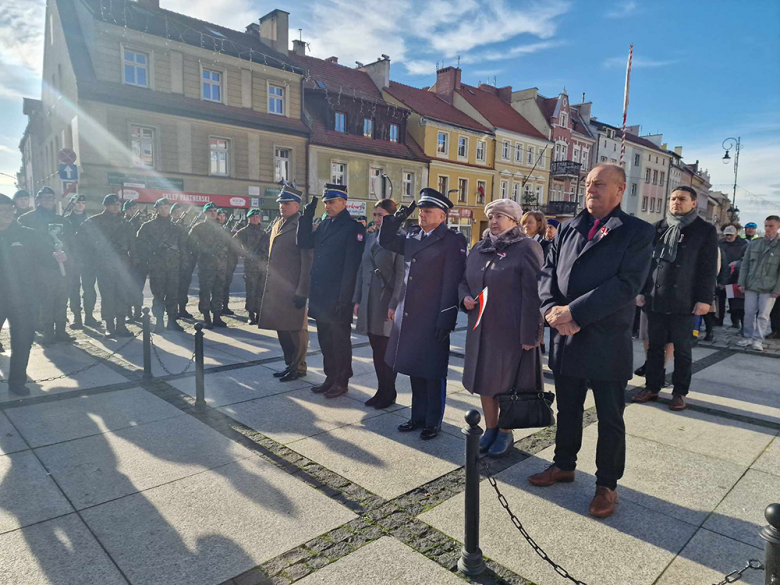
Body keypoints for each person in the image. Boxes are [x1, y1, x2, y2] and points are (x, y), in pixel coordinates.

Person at [531, 164, 654, 518]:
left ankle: (607, 484)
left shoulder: (636, 231)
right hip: (566, 337)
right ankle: (564, 464)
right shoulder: (568, 228)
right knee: (567, 408)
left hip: (605, 338)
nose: (591, 190)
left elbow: (628, 284)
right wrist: (552, 309)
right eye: (588, 184)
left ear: (619, 190)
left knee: (610, 416)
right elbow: (548, 273)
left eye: (599, 184)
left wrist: (575, 313)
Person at [379, 187, 467, 440]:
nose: (422, 215)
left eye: (428, 211)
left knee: (433, 372)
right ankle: (416, 416)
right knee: (414, 369)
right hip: (410, 314)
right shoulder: (413, 234)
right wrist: (394, 220)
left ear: (443, 216)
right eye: (420, 211)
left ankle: (433, 421)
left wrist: (446, 318)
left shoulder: (452, 240)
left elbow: (452, 282)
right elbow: (386, 241)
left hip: (432, 315)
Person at [460, 199, 543, 457]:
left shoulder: (527, 247)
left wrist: (531, 334)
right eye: (492, 216)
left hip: (511, 331)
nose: (494, 221)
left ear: (514, 221)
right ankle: (490, 428)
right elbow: (464, 281)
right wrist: (464, 298)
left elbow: (534, 294)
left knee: (507, 385)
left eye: (500, 216)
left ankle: (505, 433)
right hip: (481, 329)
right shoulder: (479, 247)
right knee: (485, 383)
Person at [633, 187, 718, 411]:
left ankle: (680, 392)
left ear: (693, 204)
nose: (675, 203)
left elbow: (708, 269)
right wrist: (641, 291)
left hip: (685, 299)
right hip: (655, 296)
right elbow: (645, 263)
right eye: (672, 199)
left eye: (681, 199)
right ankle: (652, 386)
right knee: (654, 347)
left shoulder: (704, 230)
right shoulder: (657, 228)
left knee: (682, 349)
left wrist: (704, 299)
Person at [297, 184, 365, 398]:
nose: (328, 205)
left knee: (340, 341)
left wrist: (345, 298)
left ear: (344, 203)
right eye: (326, 202)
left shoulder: (353, 228)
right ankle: (330, 377)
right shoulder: (324, 225)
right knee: (326, 340)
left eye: (332, 201)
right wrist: (306, 217)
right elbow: (304, 242)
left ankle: (341, 380)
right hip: (320, 294)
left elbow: (351, 266)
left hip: (338, 296)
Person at [0, 193, 66, 395]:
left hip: (24, 297)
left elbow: (46, 257)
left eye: (10, 209)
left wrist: (58, 257)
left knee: (22, 339)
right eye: (3, 209)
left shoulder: (26, 233)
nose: (8, 213)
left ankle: (17, 381)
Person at [352, 199, 405, 409]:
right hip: (369, 299)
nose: (376, 219)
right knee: (375, 348)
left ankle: (388, 392)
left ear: (391, 217)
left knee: (386, 350)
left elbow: (401, 274)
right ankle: (381, 390)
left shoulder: (400, 240)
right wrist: (357, 299)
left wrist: (395, 304)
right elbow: (361, 269)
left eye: (381, 215)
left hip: (386, 301)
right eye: (375, 214)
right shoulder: (371, 237)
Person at [258, 186, 313, 382]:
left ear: (297, 205)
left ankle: (299, 367)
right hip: (277, 286)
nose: (282, 206)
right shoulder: (278, 223)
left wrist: (303, 290)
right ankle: (289, 364)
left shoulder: (303, 225)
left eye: (287, 203)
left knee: (296, 329)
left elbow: (308, 260)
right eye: (281, 203)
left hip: (293, 286)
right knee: (281, 327)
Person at [18, 186, 73, 345]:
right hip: (39, 268)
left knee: (61, 300)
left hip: (61, 267)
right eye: (44, 197)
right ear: (38, 200)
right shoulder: (27, 220)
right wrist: (46, 255)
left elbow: (71, 243)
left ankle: (61, 331)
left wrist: (66, 255)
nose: (48, 200)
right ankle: (48, 333)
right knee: (45, 301)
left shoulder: (63, 221)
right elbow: (25, 245)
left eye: (51, 197)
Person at [79, 194, 134, 337]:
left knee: (122, 294)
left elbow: (133, 244)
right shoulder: (94, 222)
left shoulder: (125, 223)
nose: (116, 207)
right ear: (106, 205)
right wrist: (91, 261)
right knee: (107, 295)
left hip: (121, 263)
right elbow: (83, 244)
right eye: (113, 204)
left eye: (118, 204)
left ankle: (121, 325)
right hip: (103, 263)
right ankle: (110, 325)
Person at [136, 198, 186, 332]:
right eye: (162, 208)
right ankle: (159, 321)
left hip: (173, 266)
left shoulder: (176, 228)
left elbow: (183, 247)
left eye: (167, 208)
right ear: (156, 209)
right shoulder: (148, 226)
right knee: (158, 294)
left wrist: (183, 264)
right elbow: (140, 246)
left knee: (173, 294)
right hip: (157, 266)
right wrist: (150, 256)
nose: (165, 210)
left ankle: (172, 320)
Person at [736, 216, 780, 351]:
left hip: (769, 286)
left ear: (778, 227)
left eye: (771, 226)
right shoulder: (755, 243)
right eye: (766, 225)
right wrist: (741, 282)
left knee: (763, 315)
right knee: (749, 313)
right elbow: (745, 265)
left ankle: (758, 339)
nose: (767, 228)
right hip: (751, 284)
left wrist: (778, 288)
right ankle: (748, 337)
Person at [187, 202, 230, 329]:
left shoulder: (222, 228)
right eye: (210, 211)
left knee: (218, 291)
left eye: (215, 211)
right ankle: (206, 317)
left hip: (221, 265)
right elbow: (190, 244)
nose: (213, 213)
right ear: (205, 213)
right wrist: (203, 250)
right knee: (205, 291)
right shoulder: (198, 228)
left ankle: (217, 316)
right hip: (206, 265)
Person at [63, 194, 98, 329]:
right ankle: (77, 318)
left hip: (88, 260)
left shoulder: (90, 221)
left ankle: (89, 316)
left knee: (89, 289)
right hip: (72, 259)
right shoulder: (66, 221)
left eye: (83, 203)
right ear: (73, 204)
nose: (80, 205)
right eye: (78, 202)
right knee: (74, 289)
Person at [234, 209, 269, 324]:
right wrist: (244, 254)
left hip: (262, 265)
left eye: (257, 217)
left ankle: (259, 313)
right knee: (251, 289)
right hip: (250, 265)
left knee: (261, 289)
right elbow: (233, 243)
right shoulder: (243, 232)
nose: (255, 218)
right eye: (253, 217)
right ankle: (250, 314)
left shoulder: (263, 233)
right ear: (248, 218)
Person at [717, 225, 748, 328]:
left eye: (730, 235)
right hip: (722, 274)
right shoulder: (721, 243)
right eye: (727, 235)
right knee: (720, 299)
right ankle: (718, 319)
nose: (728, 237)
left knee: (734, 301)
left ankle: (735, 322)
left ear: (735, 234)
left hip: (735, 276)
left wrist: (738, 262)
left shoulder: (743, 244)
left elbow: (746, 258)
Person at [122, 200, 145, 322]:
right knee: (126, 287)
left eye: (135, 208)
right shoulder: (122, 222)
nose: (134, 211)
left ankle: (138, 312)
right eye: (131, 209)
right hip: (126, 260)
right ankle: (128, 313)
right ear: (125, 210)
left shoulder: (141, 223)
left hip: (140, 260)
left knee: (138, 287)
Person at [221, 210, 238, 316]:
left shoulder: (228, 229)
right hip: (219, 262)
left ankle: (225, 306)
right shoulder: (214, 229)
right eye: (220, 216)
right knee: (217, 286)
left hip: (229, 261)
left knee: (226, 285)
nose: (222, 218)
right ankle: (216, 308)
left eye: (223, 215)